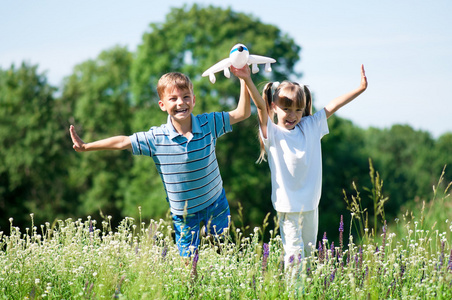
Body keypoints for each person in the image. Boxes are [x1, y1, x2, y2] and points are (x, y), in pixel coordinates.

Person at [69, 70, 251, 257]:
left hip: (215, 202)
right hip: (184, 214)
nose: (181, 103)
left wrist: (244, 79)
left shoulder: (208, 124)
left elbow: (242, 113)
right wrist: (86, 146)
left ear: (194, 100)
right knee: (189, 264)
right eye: (173, 99)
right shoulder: (156, 138)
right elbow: (123, 142)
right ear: (162, 105)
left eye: (186, 97)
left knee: (224, 253)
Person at [242, 65, 367, 265]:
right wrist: (247, 79)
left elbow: (332, 105)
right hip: (288, 207)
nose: (292, 115)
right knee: (295, 257)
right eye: (286, 109)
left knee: (307, 257)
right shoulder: (273, 133)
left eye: (298, 110)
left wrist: (359, 89)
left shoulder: (310, 126)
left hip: (310, 205)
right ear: (273, 107)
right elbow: (259, 105)